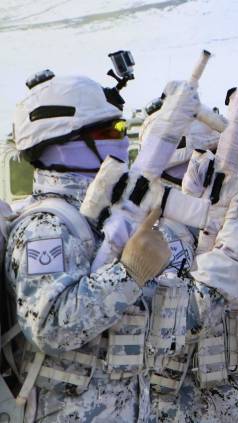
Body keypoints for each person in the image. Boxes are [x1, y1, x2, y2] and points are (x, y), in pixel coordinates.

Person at [3, 71, 193, 421]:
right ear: (62, 142)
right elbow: (51, 327)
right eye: (110, 132)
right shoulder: (47, 226)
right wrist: (128, 272)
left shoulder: (100, 218)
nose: (122, 140)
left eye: (122, 129)